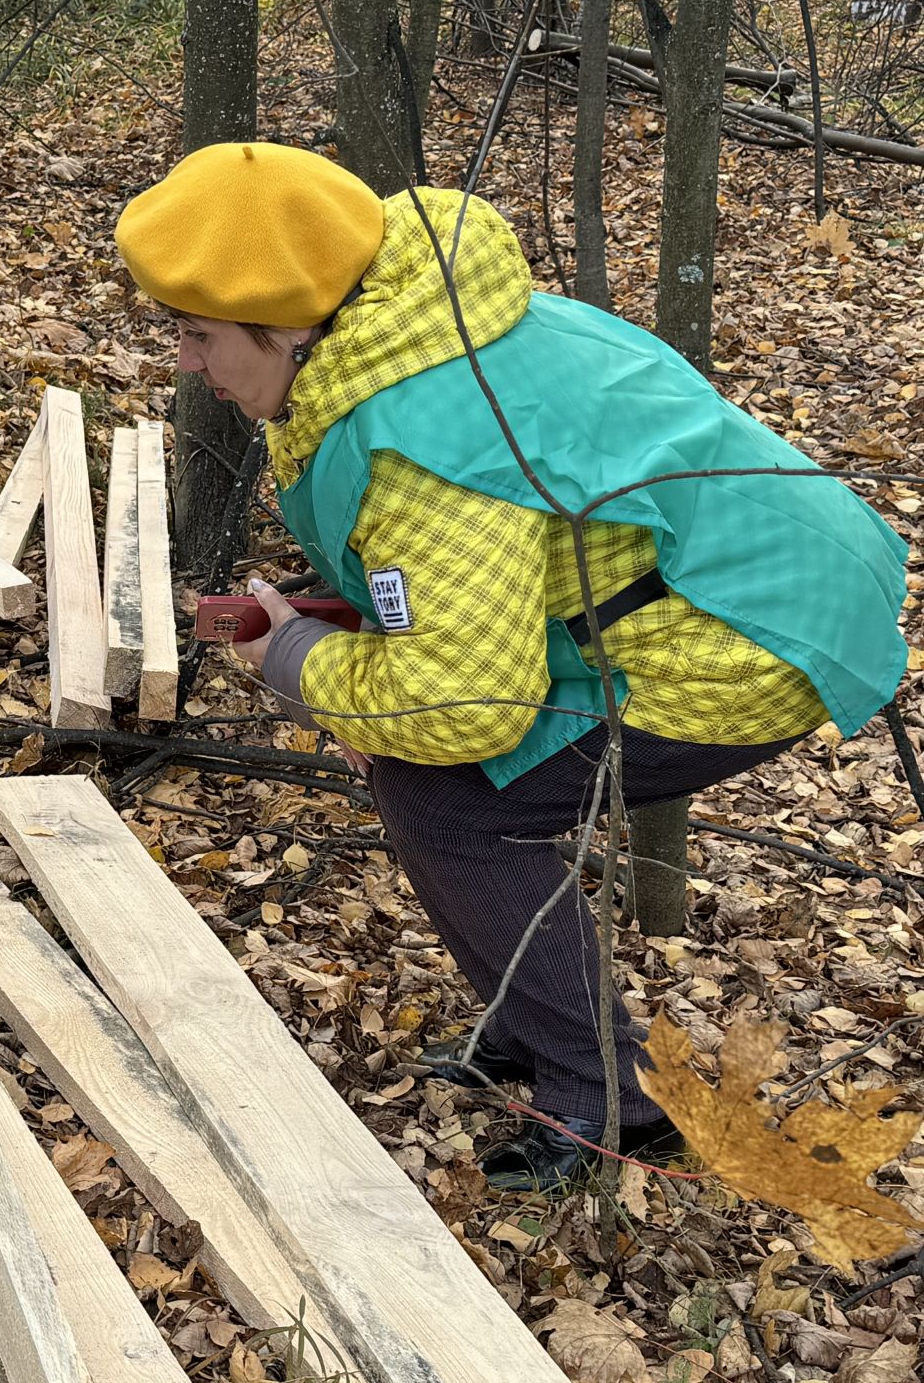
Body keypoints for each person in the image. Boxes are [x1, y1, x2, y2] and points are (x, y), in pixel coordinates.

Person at [114, 143, 909, 1193]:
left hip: (751, 631)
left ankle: (602, 1099)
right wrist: (364, 668)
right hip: (709, 580)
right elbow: (471, 583)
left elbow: (460, 705)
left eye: (199, 334)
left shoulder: (424, 439)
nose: (184, 362)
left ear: (294, 323)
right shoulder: (411, 315)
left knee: (452, 804)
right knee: (426, 782)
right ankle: (532, 1030)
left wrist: (300, 662)